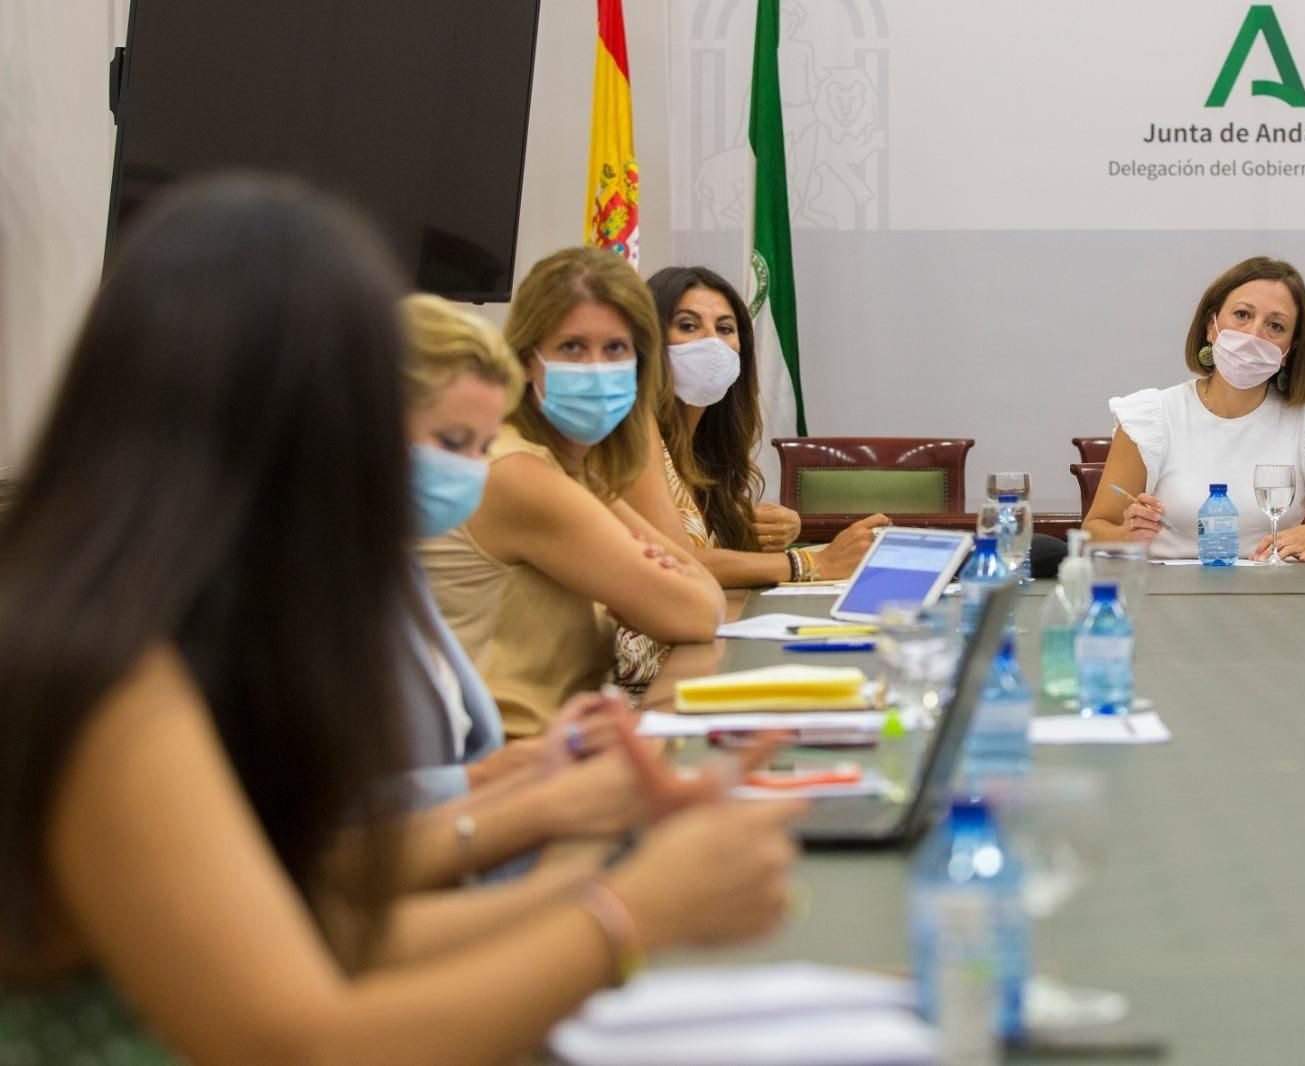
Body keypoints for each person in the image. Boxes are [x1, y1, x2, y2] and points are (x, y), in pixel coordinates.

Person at [0, 177, 800, 1063]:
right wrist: (629, 911)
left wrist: (606, 860)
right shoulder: (109, 683)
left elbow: (327, 931)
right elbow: (302, 1040)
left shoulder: (178, 625)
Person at [420, 247, 726, 735]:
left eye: (616, 350)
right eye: (572, 348)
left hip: (553, 750)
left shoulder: (570, 469)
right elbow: (693, 611)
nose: (596, 369)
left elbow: (702, 592)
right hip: (506, 769)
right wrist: (670, 578)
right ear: (524, 362)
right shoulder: (519, 472)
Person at [1081, 256, 1305, 561]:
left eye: (1275, 326)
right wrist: (1127, 534)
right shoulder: (1151, 416)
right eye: (1242, 314)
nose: (1254, 334)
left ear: (1288, 352)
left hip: (1277, 598)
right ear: (1211, 326)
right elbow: (1092, 532)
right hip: (1167, 597)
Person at [619, 264, 888, 586]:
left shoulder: (708, 442)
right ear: (650, 339)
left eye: (725, 328)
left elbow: (712, 555)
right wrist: (811, 562)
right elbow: (677, 563)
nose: (713, 343)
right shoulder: (633, 426)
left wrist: (763, 530)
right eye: (688, 326)